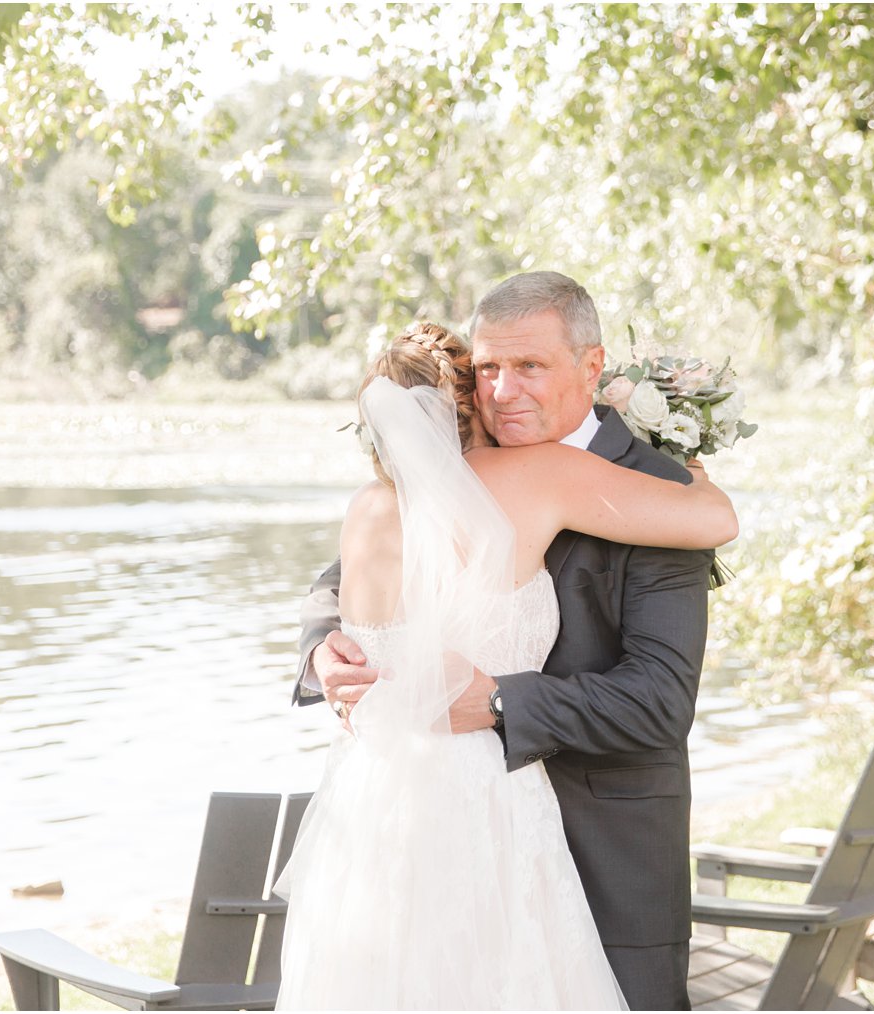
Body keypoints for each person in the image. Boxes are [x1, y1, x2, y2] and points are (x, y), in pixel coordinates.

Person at [278, 315, 735, 1010]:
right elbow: (714, 521)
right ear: (469, 397)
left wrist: (325, 649)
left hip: (374, 809)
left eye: (524, 370)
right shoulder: (542, 473)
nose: (504, 392)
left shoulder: (369, 509)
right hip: (487, 794)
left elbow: (348, 602)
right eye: (488, 374)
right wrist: (695, 472)